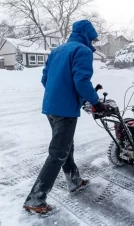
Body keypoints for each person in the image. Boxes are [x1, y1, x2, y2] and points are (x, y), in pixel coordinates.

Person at [23, 19, 105, 214]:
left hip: (50, 107)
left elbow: (45, 78)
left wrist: (58, 94)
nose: (92, 44)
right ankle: (35, 199)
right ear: (86, 36)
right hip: (65, 110)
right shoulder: (82, 51)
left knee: (65, 146)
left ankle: (74, 180)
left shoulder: (57, 50)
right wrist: (96, 102)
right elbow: (81, 81)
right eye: (92, 39)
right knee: (58, 152)